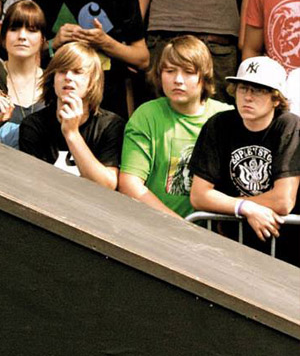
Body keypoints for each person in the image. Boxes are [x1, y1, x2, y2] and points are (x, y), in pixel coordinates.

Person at [189, 56, 299, 264]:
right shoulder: (218, 125)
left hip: (285, 248)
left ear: (276, 99)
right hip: (232, 248)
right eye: (242, 88)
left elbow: (283, 201)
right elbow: (199, 195)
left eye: (258, 90)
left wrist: (229, 203)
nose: (248, 97)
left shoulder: (289, 125)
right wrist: (246, 209)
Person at [118, 35, 232, 217]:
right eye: (170, 71)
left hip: (215, 234)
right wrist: (178, 225)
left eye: (188, 72)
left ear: (204, 77)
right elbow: (130, 184)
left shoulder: (227, 118)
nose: (178, 80)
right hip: (156, 229)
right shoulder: (147, 115)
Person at [19, 42, 126, 190]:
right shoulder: (33, 125)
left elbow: (107, 185)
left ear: (91, 82)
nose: (68, 77)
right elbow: (32, 184)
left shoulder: (110, 125)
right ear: (53, 79)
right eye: (62, 71)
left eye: (77, 72)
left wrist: (72, 134)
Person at [0, 0, 46, 123]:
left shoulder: (54, 81)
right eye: (14, 29)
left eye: (32, 30)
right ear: (3, 37)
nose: (22, 36)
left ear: (42, 39)